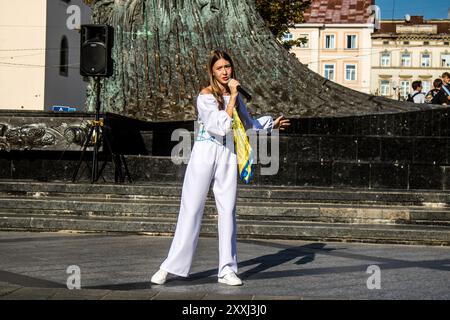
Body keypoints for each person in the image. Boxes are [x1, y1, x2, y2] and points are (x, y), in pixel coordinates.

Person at [150, 50, 290, 286]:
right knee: (192, 208)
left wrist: (270, 124)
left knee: (227, 211)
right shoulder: (204, 96)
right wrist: (232, 98)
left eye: (228, 67)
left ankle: (227, 269)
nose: (225, 72)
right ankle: (170, 265)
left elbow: (248, 125)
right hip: (204, 152)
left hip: (227, 153)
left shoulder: (237, 98)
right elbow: (220, 126)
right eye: (219, 68)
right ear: (211, 71)